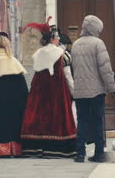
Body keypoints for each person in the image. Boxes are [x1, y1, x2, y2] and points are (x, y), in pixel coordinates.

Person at [20, 17, 77, 158]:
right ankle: (58, 149)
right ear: (53, 39)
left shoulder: (39, 55)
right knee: (57, 119)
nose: (58, 40)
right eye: (57, 38)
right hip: (57, 94)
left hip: (40, 94)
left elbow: (37, 75)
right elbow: (68, 77)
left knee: (39, 119)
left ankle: (36, 149)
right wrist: (75, 93)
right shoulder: (63, 56)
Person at [71, 15, 115, 163]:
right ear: (95, 28)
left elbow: (74, 68)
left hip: (79, 90)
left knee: (82, 120)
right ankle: (99, 153)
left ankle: (79, 153)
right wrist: (111, 88)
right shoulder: (98, 43)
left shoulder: (76, 44)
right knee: (98, 121)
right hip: (96, 90)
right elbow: (105, 68)